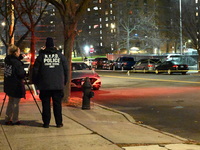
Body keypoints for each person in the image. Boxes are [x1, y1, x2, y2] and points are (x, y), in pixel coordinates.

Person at [32, 37, 68, 128]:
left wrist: (36, 82)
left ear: (46, 45)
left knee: (46, 105)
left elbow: (35, 71)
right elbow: (66, 70)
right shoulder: (60, 56)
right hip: (57, 85)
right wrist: (64, 81)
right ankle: (59, 123)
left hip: (45, 85)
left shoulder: (41, 56)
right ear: (53, 45)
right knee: (57, 105)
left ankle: (46, 123)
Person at [4, 44, 26, 125]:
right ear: (16, 52)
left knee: (10, 101)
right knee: (16, 103)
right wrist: (24, 72)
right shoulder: (17, 63)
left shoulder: (7, 59)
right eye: (19, 51)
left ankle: (7, 118)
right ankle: (15, 119)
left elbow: (13, 64)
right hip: (16, 85)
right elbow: (21, 74)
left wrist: (19, 59)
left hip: (9, 84)